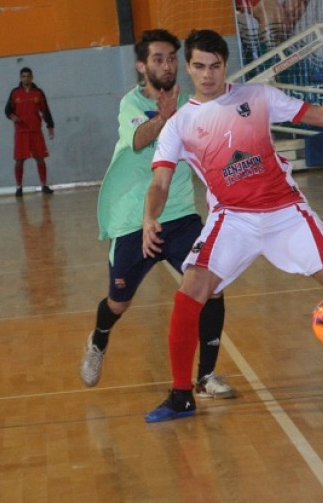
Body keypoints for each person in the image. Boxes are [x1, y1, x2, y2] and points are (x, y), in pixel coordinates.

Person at [140, 29, 323, 423]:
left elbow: (316, 115)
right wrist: (150, 216)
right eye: (199, 66)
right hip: (233, 218)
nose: (207, 74)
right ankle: (182, 395)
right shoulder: (179, 124)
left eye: (215, 66)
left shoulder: (258, 97)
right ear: (188, 67)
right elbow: (159, 183)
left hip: (285, 212)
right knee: (190, 292)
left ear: (225, 65)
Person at [79, 29, 235, 400]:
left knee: (212, 288)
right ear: (141, 66)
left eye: (170, 59)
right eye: (157, 59)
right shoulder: (131, 103)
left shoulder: (192, 104)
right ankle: (99, 339)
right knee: (118, 302)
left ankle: (205, 377)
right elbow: (138, 140)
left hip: (179, 214)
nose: (166, 66)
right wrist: (164, 119)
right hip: (133, 219)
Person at [4, 67, 55, 197]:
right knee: (19, 160)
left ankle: (44, 185)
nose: (26, 79)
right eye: (23, 76)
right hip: (21, 132)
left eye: (28, 76)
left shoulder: (38, 93)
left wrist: (50, 126)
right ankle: (19, 187)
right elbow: (7, 110)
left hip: (35, 131)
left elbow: (45, 111)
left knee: (40, 158)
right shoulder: (15, 93)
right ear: (20, 78)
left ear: (32, 77)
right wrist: (12, 117)